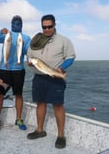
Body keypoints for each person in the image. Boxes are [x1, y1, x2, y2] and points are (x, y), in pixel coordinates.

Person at [26, 14, 76, 149]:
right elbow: (29, 56)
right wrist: (30, 63)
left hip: (55, 77)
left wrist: (62, 68)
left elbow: (71, 57)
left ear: (55, 26)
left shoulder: (64, 40)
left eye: (49, 27)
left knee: (58, 106)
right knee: (40, 103)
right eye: (44, 27)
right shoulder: (35, 41)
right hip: (39, 78)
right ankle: (40, 130)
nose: (47, 29)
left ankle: (61, 135)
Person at [0, 15, 31, 133]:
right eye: (15, 21)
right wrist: (0, 31)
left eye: (19, 22)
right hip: (4, 69)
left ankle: (18, 119)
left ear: (22, 24)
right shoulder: (6, 34)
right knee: (0, 95)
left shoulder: (26, 37)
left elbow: (28, 52)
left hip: (19, 70)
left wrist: (28, 56)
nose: (17, 23)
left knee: (18, 95)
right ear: (11, 23)